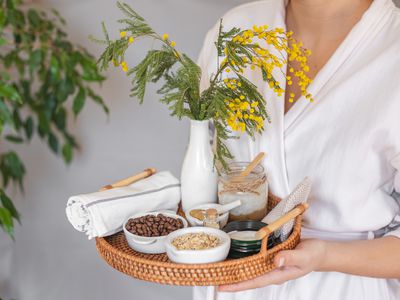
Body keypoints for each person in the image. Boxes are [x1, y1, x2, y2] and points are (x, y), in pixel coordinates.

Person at [194, 0, 400, 299]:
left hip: (341, 287)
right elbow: (204, 169)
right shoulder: (236, 29)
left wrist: (325, 256)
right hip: (231, 282)